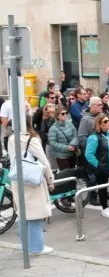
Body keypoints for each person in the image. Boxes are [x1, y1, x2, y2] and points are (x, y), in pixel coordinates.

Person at [8, 115, 55, 255]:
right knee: (36, 214)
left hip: (18, 178)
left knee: (23, 213)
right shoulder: (31, 139)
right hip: (33, 179)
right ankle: (36, 247)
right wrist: (50, 179)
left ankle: (25, 245)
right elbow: (44, 160)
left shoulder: (12, 138)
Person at [48, 106, 78, 171]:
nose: (65, 115)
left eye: (66, 113)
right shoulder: (53, 128)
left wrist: (72, 145)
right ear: (57, 116)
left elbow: (75, 135)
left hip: (72, 153)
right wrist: (67, 147)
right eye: (63, 114)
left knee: (73, 172)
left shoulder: (69, 123)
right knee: (66, 175)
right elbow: (53, 143)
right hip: (62, 156)